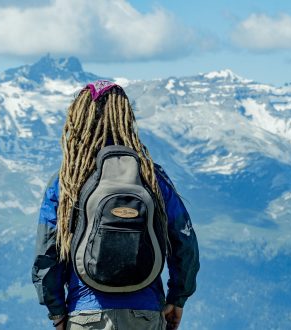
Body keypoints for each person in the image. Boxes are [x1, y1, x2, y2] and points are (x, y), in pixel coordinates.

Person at [31, 81, 200, 330]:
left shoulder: (66, 183)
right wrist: (178, 298)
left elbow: (47, 254)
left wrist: (57, 312)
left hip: (86, 314)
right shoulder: (152, 179)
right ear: (126, 118)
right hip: (145, 311)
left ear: (78, 122)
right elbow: (184, 242)